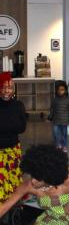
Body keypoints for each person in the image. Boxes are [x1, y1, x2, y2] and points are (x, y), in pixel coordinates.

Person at [0, 72, 26, 203]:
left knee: (14, 178)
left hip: (13, 150)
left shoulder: (18, 105)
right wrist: (10, 126)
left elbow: (22, 128)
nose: (6, 91)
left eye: (10, 88)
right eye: (3, 87)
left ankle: (14, 205)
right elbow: (17, 126)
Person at [48, 80, 69, 152]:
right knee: (56, 134)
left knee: (64, 135)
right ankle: (58, 144)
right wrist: (50, 117)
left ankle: (64, 145)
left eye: (62, 90)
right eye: (58, 90)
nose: (60, 91)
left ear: (65, 91)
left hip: (65, 122)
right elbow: (52, 109)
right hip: (56, 121)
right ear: (56, 91)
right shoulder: (54, 100)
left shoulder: (68, 100)